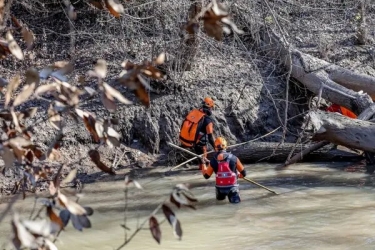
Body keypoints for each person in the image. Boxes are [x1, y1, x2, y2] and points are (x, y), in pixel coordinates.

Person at [200, 137, 246, 204]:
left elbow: (206, 176)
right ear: (226, 147)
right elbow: (244, 174)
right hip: (233, 188)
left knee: (219, 205)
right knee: (235, 206)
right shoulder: (234, 158)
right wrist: (238, 175)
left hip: (220, 189)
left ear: (215, 148)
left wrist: (203, 163)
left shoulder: (213, 161)